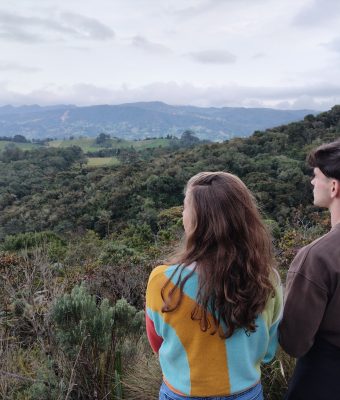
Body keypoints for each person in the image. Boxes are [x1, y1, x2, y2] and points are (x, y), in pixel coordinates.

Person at [145, 171, 282, 400]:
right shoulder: (268, 280)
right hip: (247, 394)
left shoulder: (162, 281)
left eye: (185, 207)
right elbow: (268, 352)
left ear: (195, 221)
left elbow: (157, 344)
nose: (182, 214)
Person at [279, 140, 340, 399]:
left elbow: (295, 342)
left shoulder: (318, 257)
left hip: (325, 379)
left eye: (316, 176)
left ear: (334, 186)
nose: (312, 182)